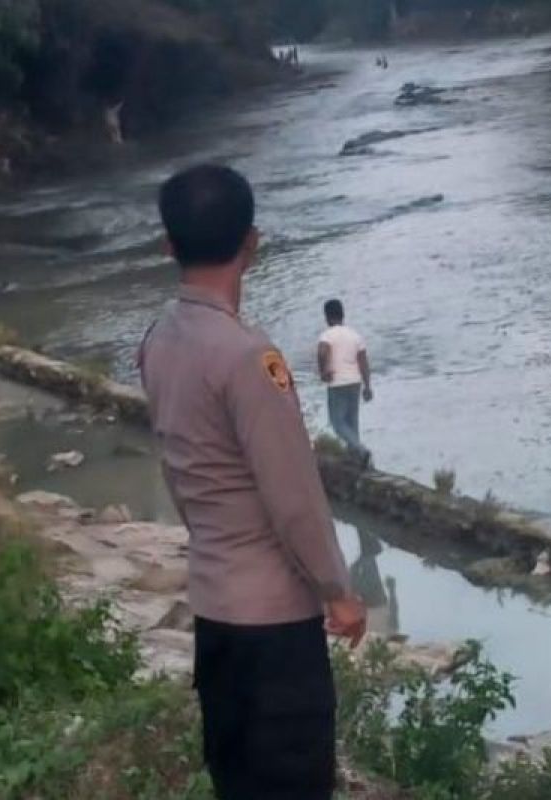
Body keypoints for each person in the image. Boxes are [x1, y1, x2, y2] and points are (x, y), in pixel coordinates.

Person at [138, 164, 366, 800]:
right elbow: (292, 496)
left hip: (214, 609)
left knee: (237, 781)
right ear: (253, 242)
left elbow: (175, 469)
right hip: (274, 625)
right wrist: (338, 591)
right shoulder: (247, 357)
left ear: (169, 246)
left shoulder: (158, 340)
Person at [317, 298, 373, 465]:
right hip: (355, 382)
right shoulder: (355, 335)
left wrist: (323, 371)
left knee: (337, 422)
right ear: (343, 314)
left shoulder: (327, 335)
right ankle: (356, 458)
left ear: (327, 317)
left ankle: (361, 450)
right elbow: (363, 362)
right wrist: (367, 386)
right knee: (352, 421)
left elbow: (321, 353)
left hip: (337, 382)